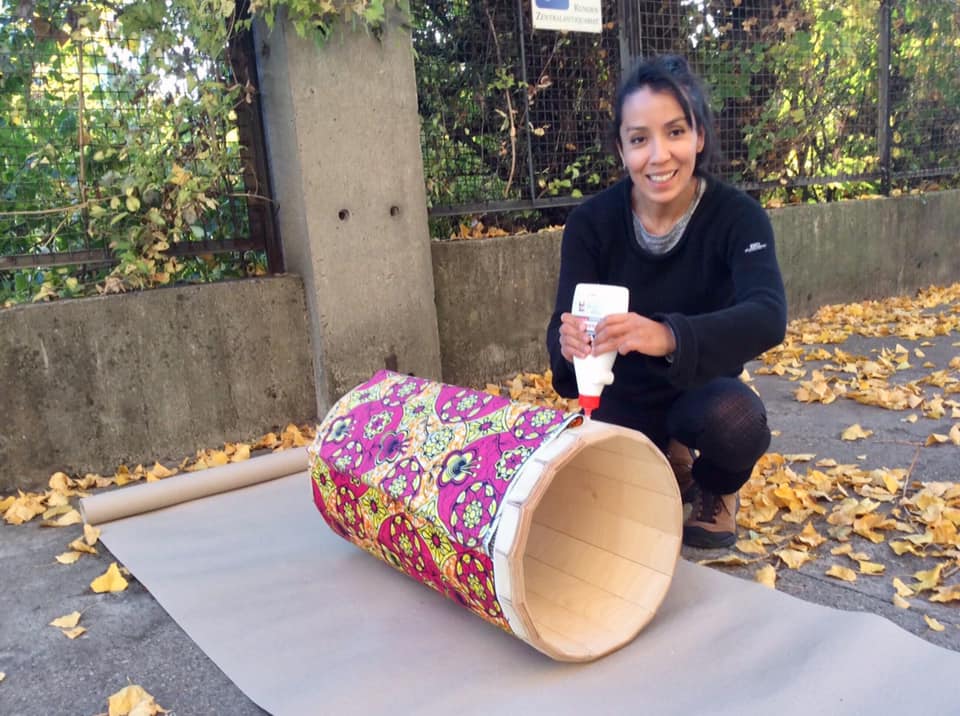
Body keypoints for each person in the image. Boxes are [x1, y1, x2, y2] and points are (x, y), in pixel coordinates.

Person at [546, 54, 787, 549]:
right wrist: (567, 345)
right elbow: (561, 336)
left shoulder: (738, 217)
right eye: (639, 139)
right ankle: (667, 460)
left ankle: (715, 488)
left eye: (675, 132)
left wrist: (668, 335)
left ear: (699, 136)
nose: (659, 156)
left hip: (701, 389)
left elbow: (768, 315)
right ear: (621, 149)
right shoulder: (591, 224)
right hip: (620, 397)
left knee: (738, 423)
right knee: (597, 520)